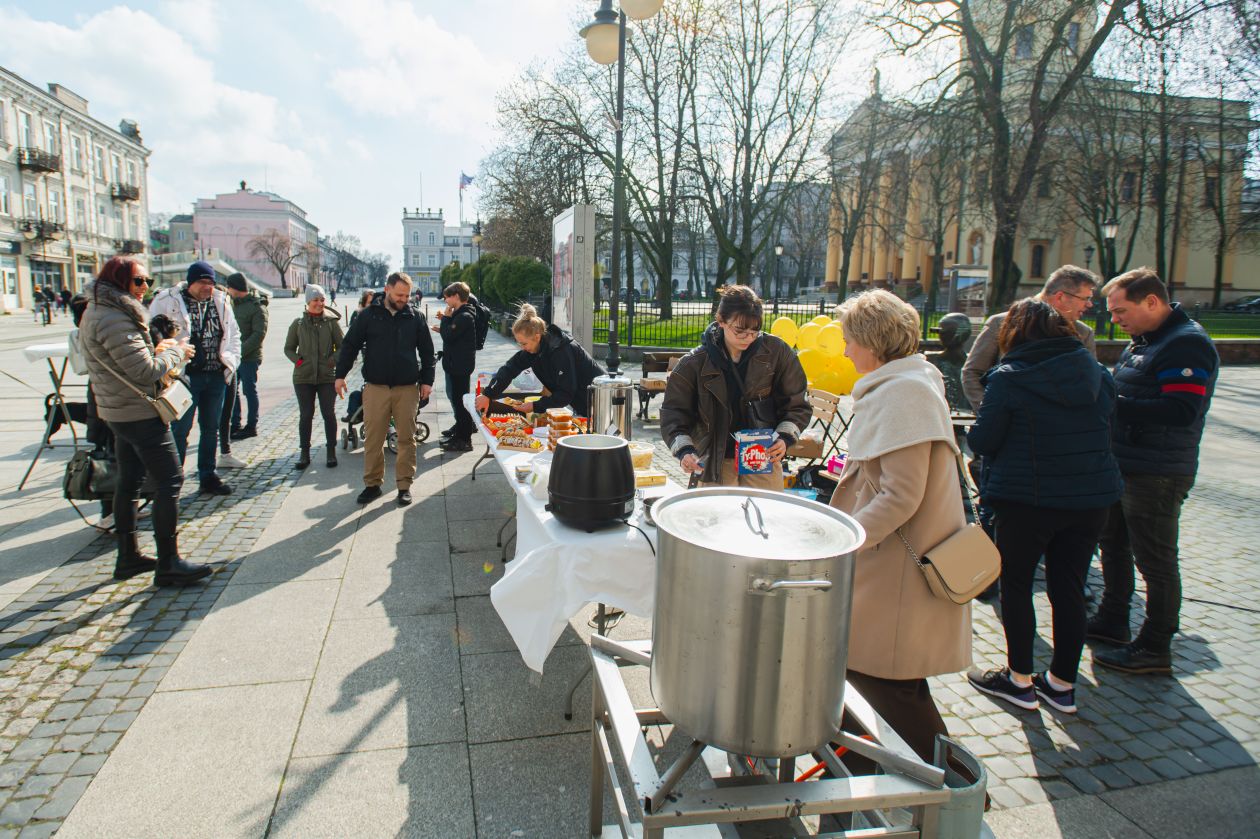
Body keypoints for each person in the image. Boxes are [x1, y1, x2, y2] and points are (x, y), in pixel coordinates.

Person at [827, 289, 970, 763]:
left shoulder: (903, 391)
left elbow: (901, 495)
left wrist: (840, 542)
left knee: (888, 683)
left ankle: (956, 789)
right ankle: (862, 764)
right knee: (881, 679)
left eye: (850, 340)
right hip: (888, 566)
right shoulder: (905, 382)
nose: (844, 350)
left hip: (897, 571)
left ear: (873, 341)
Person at [964, 298, 1123, 714]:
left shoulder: (1010, 377)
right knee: (1068, 588)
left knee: (1016, 587)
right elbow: (1109, 426)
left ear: (1015, 334)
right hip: (1090, 499)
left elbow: (983, 440)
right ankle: (1061, 684)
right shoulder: (1098, 373)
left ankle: (1019, 680)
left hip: (1028, 500)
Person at [1088, 268, 1219, 675]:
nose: (1115, 320)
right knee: (1114, 545)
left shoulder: (1186, 346)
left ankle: (1155, 646)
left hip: (1157, 472)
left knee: (1156, 562)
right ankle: (1113, 619)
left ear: (1152, 302)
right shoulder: (1144, 342)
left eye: (1121, 310)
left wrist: (1112, 403)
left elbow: (1182, 410)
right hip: (1126, 464)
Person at [79, 256, 210, 586]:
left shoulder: (102, 311)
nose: (145, 288)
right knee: (170, 480)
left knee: (130, 479)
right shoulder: (113, 316)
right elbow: (145, 370)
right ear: (120, 281)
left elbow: (128, 360)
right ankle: (168, 563)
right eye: (139, 281)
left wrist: (157, 347)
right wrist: (177, 352)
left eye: (147, 282)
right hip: (137, 412)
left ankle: (128, 556)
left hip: (118, 410)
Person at [659, 285, 810, 488]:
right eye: (740, 330)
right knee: (716, 519)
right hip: (715, 462)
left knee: (764, 516)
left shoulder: (777, 352)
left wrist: (784, 438)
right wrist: (685, 451)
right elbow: (673, 413)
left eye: (754, 331)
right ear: (721, 321)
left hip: (763, 458)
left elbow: (797, 403)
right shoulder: (694, 363)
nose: (748, 337)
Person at [334, 272, 435, 507]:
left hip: (407, 388)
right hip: (376, 387)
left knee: (407, 439)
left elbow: (428, 354)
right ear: (388, 289)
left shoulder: (415, 317)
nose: (403, 299)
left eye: (407, 295)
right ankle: (372, 485)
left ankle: (404, 486)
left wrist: (427, 381)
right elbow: (350, 346)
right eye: (399, 294)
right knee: (373, 438)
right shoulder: (368, 316)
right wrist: (340, 375)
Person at [149, 260, 241, 495]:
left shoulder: (221, 301)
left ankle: (207, 475)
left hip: (216, 374)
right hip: (185, 376)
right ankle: (173, 479)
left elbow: (233, 334)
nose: (207, 286)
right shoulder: (167, 301)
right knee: (181, 429)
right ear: (191, 282)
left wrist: (232, 360)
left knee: (211, 428)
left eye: (211, 282)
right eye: (202, 282)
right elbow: (152, 334)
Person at [961, 265, 1099, 413]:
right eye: (1086, 298)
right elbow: (972, 372)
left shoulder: (1084, 333)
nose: (1089, 304)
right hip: (1008, 427)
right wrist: (990, 412)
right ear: (1060, 296)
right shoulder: (1001, 323)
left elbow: (1091, 383)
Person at [474, 303, 604, 418]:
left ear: (537, 337)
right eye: (519, 344)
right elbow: (509, 369)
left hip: (600, 401)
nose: (522, 348)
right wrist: (488, 394)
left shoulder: (560, 351)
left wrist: (535, 406)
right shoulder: (533, 349)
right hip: (583, 404)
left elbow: (565, 393)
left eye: (524, 344)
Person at [285, 284, 342, 469]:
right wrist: (298, 361)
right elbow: (288, 348)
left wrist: (332, 361)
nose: (320, 303)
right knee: (306, 415)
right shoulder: (298, 324)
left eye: (322, 300)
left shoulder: (332, 323)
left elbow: (343, 347)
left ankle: (331, 452)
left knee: (328, 414)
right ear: (308, 301)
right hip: (303, 377)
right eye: (316, 300)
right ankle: (304, 453)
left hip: (326, 376)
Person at [434, 281, 478, 453]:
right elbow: (452, 334)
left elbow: (448, 336)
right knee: (459, 401)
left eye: (447, 296)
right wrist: (446, 321)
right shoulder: (461, 314)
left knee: (461, 403)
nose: (445, 299)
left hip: (460, 365)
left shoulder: (465, 316)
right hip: (457, 364)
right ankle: (460, 434)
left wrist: (446, 318)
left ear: (456, 296)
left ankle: (464, 439)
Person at [226, 272, 269, 441]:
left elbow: (259, 334)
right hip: (233, 357)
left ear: (236, 287)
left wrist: (239, 351)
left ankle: (252, 425)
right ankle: (234, 424)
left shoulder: (257, 306)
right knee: (232, 391)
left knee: (249, 390)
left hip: (249, 357)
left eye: (229, 286)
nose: (228, 290)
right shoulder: (231, 305)